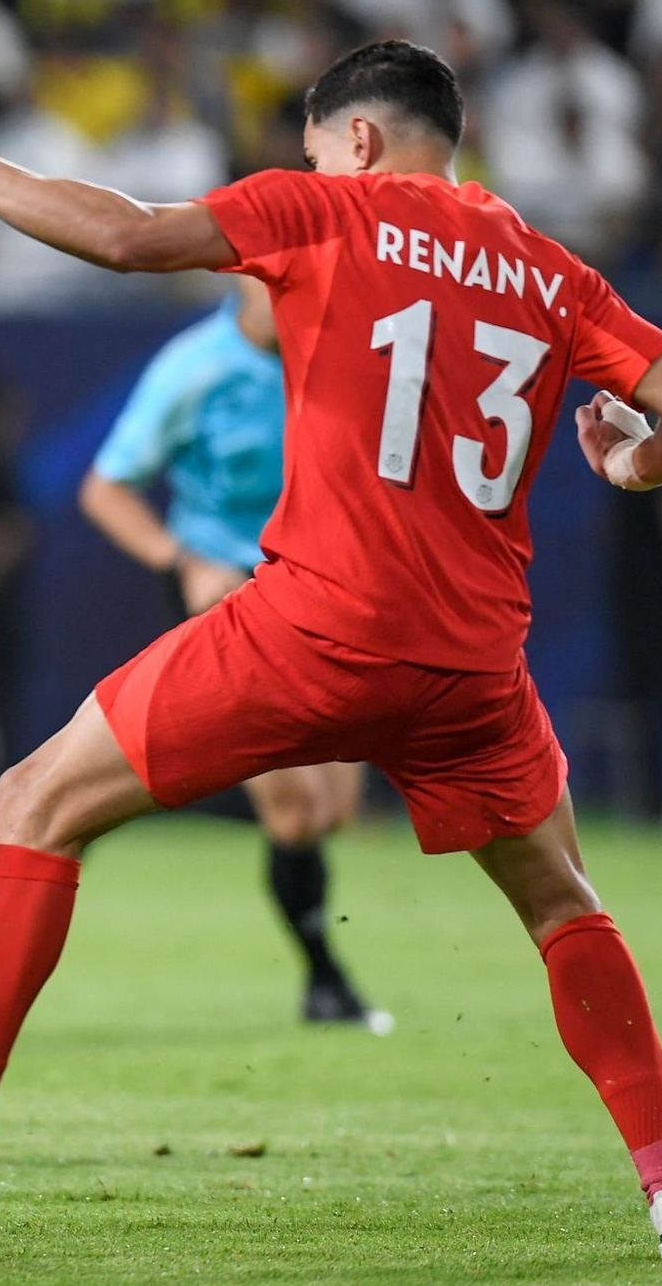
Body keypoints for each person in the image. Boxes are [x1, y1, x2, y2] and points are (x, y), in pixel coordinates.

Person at [0, 37, 662, 1260]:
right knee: (562, 905)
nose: (308, 163)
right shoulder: (549, 273)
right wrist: (629, 459)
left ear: (359, 142)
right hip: (472, 667)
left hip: (319, 626)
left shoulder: (322, 208)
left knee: (33, 799)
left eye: (315, 145)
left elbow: (124, 236)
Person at [79, 276, 386, 1033]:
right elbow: (105, 485)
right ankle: (327, 983)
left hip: (322, 597)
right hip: (229, 595)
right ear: (243, 281)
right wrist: (180, 559)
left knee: (334, 810)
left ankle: (81, 798)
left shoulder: (338, 358)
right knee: (294, 810)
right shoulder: (195, 366)